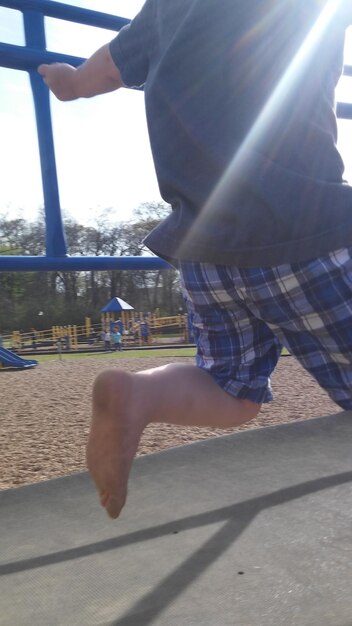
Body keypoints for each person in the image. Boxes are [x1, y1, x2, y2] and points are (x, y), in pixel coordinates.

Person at [38, 0, 352, 520]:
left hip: (205, 252)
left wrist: (68, 81)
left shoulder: (166, 8)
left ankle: (138, 394)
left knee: (229, 390)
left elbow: (101, 72)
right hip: (306, 232)